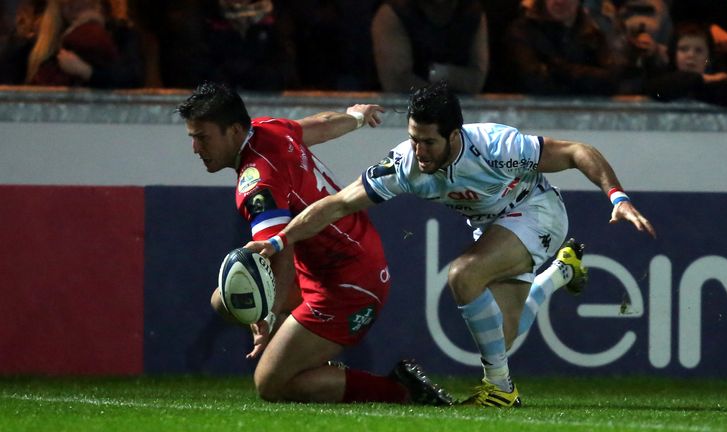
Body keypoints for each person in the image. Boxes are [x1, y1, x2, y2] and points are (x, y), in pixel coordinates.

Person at [246, 81, 657, 408]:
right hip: (491, 226)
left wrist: (617, 197)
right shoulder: (405, 164)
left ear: (454, 135)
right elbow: (336, 205)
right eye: (414, 139)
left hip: (536, 212)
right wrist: (282, 239)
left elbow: (577, 151)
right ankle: (560, 273)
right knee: (503, 337)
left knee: (464, 274)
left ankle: (500, 390)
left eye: (429, 142)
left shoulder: (497, 147)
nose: (419, 152)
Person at [176, 82, 453, 405]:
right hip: (337, 262)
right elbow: (320, 125)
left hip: (350, 283)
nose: (196, 147)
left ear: (235, 130)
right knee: (225, 300)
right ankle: (305, 357)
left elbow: (278, 253)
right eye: (193, 137)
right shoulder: (266, 129)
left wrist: (267, 318)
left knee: (270, 384)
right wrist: (356, 118)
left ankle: (402, 391)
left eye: (202, 137)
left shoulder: (257, 183)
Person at [498, 0, 623, 95]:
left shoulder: (593, 34)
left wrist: (557, 68)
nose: (560, 1)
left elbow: (611, 81)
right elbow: (534, 82)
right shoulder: (522, 31)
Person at [371, 0, 489, 94]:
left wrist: (433, 72)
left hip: (464, 114)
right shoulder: (392, 13)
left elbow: (475, 82)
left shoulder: (473, 13)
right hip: (401, 115)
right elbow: (397, 83)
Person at [19, 0, 143, 87]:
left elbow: (131, 78)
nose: (75, 6)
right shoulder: (44, 42)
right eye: (67, 4)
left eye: (81, 1)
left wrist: (86, 72)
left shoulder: (122, 34)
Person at [645, 22, 727, 107]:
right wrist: (702, 79)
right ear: (674, 54)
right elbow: (657, 91)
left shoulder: (719, 74)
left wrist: (695, 86)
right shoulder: (663, 76)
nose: (691, 55)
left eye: (699, 50)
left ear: (709, 57)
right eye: (684, 49)